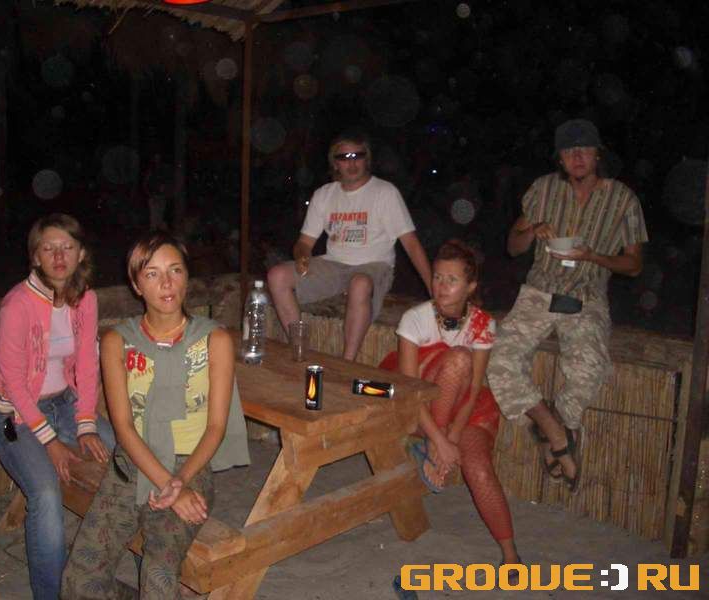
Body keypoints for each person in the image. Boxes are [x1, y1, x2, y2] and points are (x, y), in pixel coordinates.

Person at [61, 232, 250, 599]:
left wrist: (180, 482)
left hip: (190, 467)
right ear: (136, 284)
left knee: (159, 575)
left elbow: (216, 426)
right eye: (152, 274)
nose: (166, 283)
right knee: (79, 579)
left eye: (175, 270)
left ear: (187, 277)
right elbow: (123, 427)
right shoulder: (118, 341)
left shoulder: (214, 340)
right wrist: (167, 486)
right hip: (131, 465)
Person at [487, 119, 647, 493]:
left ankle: (555, 430)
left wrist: (594, 256)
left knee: (590, 369)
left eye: (584, 149)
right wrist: (533, 230)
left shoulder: (623, 199)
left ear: (597, 155)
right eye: (568, 151)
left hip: (587, 296)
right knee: (500, 361)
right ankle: (555, 432)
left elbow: (634, 264)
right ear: (559, 158)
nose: (577, 157)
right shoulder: (542, 189)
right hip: (539, 292)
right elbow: (513, 247)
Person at [0, 213, 115, 600]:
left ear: (81, 254)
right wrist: (51, 442)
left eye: (67, 247)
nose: (59, 256)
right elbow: (14, 384)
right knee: (45, 493)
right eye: (49, 248)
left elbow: (88, 365)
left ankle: (105, 565)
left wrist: (86, 423)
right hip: (16, 417)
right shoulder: (17, 306)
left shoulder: (86, 299)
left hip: (67, 405)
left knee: (125, 454)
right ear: (35, 256)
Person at [380, 240, 520, 571]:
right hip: (415, 405)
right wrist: (439, 442)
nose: (441, 286)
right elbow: (411, 391)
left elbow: (472, 391)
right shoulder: (415, 319)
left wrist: (451, 441)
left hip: (462, 407)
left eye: (452, 280)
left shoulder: (483, 323)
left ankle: (510, 552)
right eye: (438, 277)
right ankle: (430, 449)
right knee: (458, 359)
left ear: (470, 287)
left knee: (479, 467)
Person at [268, 131, 432, 361]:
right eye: (344, 157)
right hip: (335, 263)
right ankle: (299, 350)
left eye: (358, 155)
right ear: (335, 163)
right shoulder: (324, 194)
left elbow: (411, 244)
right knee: (277, 276)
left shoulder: (385, 192)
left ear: (367, 159)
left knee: (360, 283)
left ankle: (348, 362)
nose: (352, 163)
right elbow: (304, 243)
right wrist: (302, 256)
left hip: (375, 265)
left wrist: (432, 288)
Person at [143, 153, 173, 231]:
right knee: (153, 216)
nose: (157, 159)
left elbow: (167, 182)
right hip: (153, 196)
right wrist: (150, 194)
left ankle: (160, 232)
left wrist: (165, 190)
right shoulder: (151, 170)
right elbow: (145, 184)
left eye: (158, 157)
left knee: (161, 216)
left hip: (162, 196)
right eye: (156, 157)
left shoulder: (163, 169)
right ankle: (153, 232)